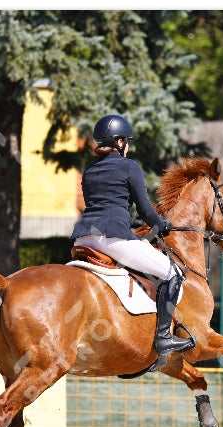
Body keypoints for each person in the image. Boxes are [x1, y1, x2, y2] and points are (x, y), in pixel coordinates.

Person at [71, 114, 195, 356]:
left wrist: (130, 220)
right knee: (172, 273)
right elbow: (146, 209)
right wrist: (161, 224)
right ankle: (163, 338)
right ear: (119, 142)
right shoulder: (129, 167)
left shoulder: (89, 170)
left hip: (83, 237)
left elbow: (101, 206)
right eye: (126, 141)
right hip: (113, 239)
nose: (127, 145)